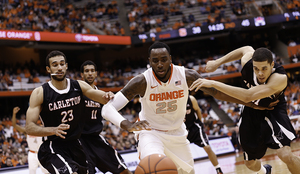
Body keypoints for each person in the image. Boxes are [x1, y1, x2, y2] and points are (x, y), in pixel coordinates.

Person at [101, 42, 265, 174]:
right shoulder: (141, 82)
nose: (159, 64)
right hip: (151, 133)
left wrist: (248, 102)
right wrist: (126, 124)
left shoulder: (187, 76)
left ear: (170, 59)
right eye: (155, 60)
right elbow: (107, 109)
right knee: (153, 164)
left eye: (163, 59)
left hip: (178, 133)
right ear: (149, 61)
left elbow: (216, 93)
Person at [190, 46, 300, 174]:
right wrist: (217, 63)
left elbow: (248, 96)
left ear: (272, 65)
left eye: (264, 68)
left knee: (286, 155)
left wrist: (213, 83)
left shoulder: (279, 78)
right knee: (250, 163)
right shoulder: (248, 65)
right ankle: (265, 172)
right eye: (256, 68)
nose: (260, 73)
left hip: (272, 112)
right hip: (250, 112)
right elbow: (246, 49)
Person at [25, 50, 114, 174]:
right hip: (53, 146)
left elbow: (100, 96)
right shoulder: (40, 93)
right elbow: (29, 128)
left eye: (62, 64)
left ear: (66, 66)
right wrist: (53, 130)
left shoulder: (78, 86)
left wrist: (108, 95)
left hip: (77, 145)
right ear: (48, 69)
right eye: (55, 65)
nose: (59, 68)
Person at [79, 60, 132, 174]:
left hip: (96, 139)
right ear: (82, 75)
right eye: (87, 71)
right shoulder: (76, 93)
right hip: (80, 140)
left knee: (124, 171)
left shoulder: (102, 95)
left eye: (92, 71)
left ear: (96, 74)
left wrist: (111, 96)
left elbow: (111, 110)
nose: (90, 73)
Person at [185, 95, 223, 174]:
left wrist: (200, 122)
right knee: (182, 154)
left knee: (207, 148)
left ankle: (218, 169)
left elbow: (198, 110)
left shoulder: (191, 99)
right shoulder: (173, 102)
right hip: (182, 129)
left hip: (194, 127)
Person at [12, 106, 49, 174]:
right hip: (32, 153)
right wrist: (14, 114)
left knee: (46, 171)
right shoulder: (27, 130)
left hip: (42, 152)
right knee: (32, 172)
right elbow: (14, 125)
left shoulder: (42, 128)